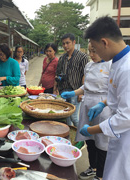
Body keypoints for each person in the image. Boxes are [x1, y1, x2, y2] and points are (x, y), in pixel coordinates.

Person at [80, 16, 130, 180]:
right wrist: (103, 103)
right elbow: (118, 95)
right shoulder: (117, 62)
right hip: (118, 136)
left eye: (94, 48)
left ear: (104, 42)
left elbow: (126, 117)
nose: (94, 53)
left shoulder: (127, 68)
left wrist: (91, 130)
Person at [61, 42, 112, 180]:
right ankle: (93, 167)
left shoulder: (111, 65)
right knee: (89, 139)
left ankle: (100, 174)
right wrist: (73, 92)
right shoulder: (89, 65)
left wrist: (103, 104)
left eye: (94, 51)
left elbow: (115, 91)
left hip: (103, 105)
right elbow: (85, 86)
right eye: (89, 51)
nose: (91, 55)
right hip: (87, 103)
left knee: (101, 142)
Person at [54, 33, 89, 127]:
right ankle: (70, 136)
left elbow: (85, 75)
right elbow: (57, 73)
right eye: (63, 43)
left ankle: (82, 137)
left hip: (75, 91)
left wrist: (81, 93)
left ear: (74, 42)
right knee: (66, 116)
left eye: (67, 43)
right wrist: (55, 88)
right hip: (63, 91)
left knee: (74, 117)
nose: (65, 46)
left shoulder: (82, 57)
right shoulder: (62, 58)